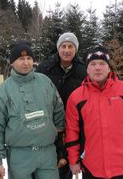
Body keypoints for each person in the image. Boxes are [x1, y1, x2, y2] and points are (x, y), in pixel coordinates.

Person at [65, 46, 123, 179]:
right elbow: (72, 131)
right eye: (93, 64)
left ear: (109, 67)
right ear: (87, 69)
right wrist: (73, 159)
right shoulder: (76, 97)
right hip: (92, 168)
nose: (97, 68)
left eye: (102, 63)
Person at [0, 40, 65, 179]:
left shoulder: (45, 82)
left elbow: (58, 110)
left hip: (47, 152)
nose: (26, 62)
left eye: (29, 58)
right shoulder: (3, 91)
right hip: (19, 155)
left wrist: (60, 141)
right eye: (21, 59)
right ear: (12, 62)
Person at [36, 32, 87, 178]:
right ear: (58, 48)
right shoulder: (45, 68)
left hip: (75, 124)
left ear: (75, 49)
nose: (66, 50)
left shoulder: (83, 70)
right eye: (63, 46)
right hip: (49, 123)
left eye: (70, 46)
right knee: (49, 163)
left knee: (68, 162)